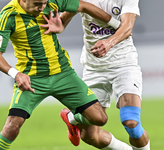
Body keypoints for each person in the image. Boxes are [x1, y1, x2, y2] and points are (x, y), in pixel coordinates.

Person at [0, 0, 127, 149]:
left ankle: (70, 118)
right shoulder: (9, 15)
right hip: (33, 79)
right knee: (12, 127)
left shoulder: (52, 2)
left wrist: (116, 24)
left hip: (63, 74)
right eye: (37, 4)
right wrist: (16, 74)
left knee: (100, 119)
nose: (42, 8)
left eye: (44, 3)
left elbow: (84, 5)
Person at [41, 0, 150, 150]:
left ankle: (71, 117)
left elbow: (127, 27)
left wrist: (108, 43)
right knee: (90, 136)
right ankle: (72, 118)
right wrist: (60, 25)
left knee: (131, 122)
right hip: (94, 68)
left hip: (124, 64)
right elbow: (66, 16)